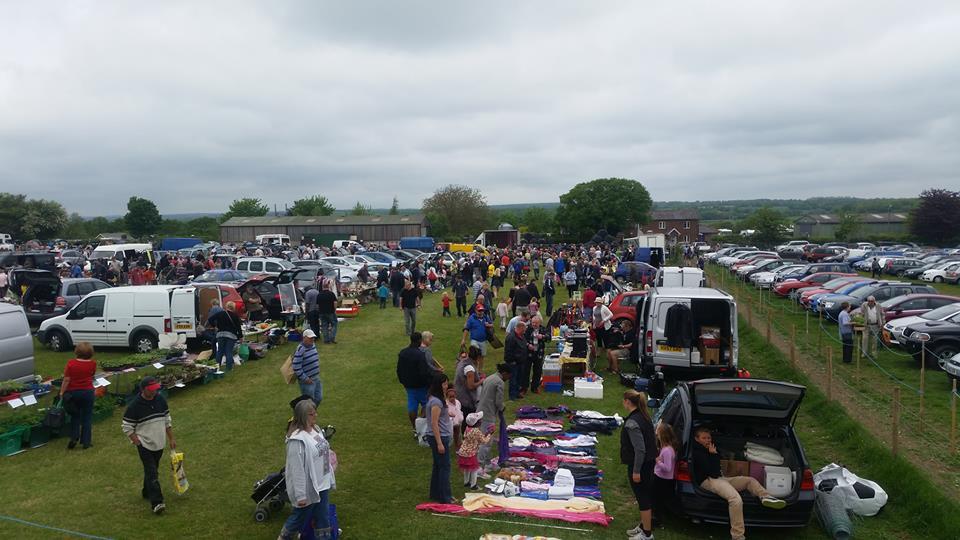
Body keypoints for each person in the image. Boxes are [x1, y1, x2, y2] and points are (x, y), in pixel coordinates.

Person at [691, 426, 785, 540]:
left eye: (709, 438)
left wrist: (714, 454)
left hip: (720, 478)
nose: (708, 440)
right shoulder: (697, 452)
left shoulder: (708, 449)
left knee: (749, 480)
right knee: (736, 500)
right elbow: (713, 473)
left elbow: (717, 473)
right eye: (704, 438)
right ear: (696, 439)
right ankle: (738, 536)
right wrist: (713, 455)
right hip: (708, 481)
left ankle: (765, 497)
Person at [278, 400, 336, 540]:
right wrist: (301, 496)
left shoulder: (315, 428)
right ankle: (284, 537)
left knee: (323, 518)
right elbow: (296, 470)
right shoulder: (296, 441)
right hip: (309, 488)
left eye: (315, 412)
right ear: (303, 416)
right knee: (299, 517)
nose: (315, 415)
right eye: (311, 414)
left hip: (322, 484)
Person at [121, 376, 176, 515]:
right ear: (144, 389)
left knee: (152, 469)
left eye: (156, 389)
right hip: (144, 444)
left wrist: (171, 438)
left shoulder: (160, 400)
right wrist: (137, 441)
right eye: (151, 390)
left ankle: (146, 492)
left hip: (159, 442)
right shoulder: (134, 406)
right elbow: (127, 426)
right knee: (152, 472)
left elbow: (166, 420)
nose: (155, 392)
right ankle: (157, 503)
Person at [621, 390, 657, 540]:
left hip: (640, 465)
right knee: (645, 495)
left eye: (623, 400)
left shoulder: (632, 422)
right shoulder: (644, 416)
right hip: (648, 463)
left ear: (628, 402)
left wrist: (636, 471)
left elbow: (640, 449)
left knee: (643, 498)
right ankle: (643, 526)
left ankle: (647, 535)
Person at [425, 373, 456, 504]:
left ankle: (435, 493)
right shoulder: (436, 401)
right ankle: (445, 497)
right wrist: (439, 443)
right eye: (444, 383)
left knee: (438, 466)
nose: (446, 386)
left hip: (439, 436)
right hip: (439, 437)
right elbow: (434, 422)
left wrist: (447, 413)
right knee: (444, 467)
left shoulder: (435, 399)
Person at [60, 341, 96, 449]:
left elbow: (66, 379)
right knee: (87, 417)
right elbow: (92, 375)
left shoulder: (71, 363)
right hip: (88, 392)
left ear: (77, 351)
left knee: (75, 415)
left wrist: (62, 392)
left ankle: (74, 437)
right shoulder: (92, 364)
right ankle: (86, 442)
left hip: (73, 392)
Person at [476, 363, 510, 475]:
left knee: (486, 439)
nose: (508, 379)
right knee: (486, 442)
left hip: (481, 410)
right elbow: (498, 402)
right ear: (504, 373)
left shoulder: (490, 377)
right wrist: (502, 408)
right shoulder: (499, 382)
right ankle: (478, 467)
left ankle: (487, 463)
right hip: (488, 413)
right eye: (508, 376)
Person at [397, 332, 431, 431]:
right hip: (421, 385)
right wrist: (429, 383)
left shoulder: (403, 352)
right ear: (420, 341)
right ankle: (422, 426)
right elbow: (424, 372)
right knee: (425, 404)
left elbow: (399, 369)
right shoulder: (420, 355)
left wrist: (402, 381)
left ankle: (414, 428)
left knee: (412, 405)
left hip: (408, 385)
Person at [457, 412, 493, 490]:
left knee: (467, 468)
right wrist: (490, 434)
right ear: (477, 423)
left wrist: (485, 433)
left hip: (463, 452)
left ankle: (466, 482)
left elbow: (477, 438)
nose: (481, 420)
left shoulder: (467, 428)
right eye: (480, 420)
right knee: (474, 469)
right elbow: (484, 441)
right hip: (470, 453)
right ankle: (473, 485)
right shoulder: (476, 431)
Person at [652, 422, 678, 523]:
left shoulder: (667, 450)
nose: (656, 434)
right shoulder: (665, 448)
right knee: (657, 498)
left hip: (663, 479)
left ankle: (657, 518)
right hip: (661, 477)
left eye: (658, 432)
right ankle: (657, 516)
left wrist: (658, 461)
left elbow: (667, 468)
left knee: (657, 499)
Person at [454, 346, 483, 429]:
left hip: (459, 395)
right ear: (477, 357)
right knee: (469, 421)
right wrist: (481, 381)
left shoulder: (463, 362)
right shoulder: (469, 368)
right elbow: (470, 386)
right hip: (466, 398)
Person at [209, 301, 243, 371]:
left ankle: (216, 367)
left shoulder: (220, 313)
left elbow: (210, 319)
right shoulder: (235, 316)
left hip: (220, 334)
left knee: (220, 351)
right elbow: (238, 327)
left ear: (226, 306)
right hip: (231, 335)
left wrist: (214, 326)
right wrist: (240, 337)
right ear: (233, 307)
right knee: (228, 351)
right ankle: (229, 368)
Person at [292, 329, 322, 405]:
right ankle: (305, 414)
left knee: (318, 398)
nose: (312, 339)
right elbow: (296, 366)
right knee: (309, 402)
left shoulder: (313, 345)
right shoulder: (301, 349)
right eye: (310, 338)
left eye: (313, 338)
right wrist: (305, 379)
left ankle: (311, 414)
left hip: (316, 377)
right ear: (304, 338)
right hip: (307, 381)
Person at [503, 320, 529, 400]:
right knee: (513, 379)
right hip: (513, 362)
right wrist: (512, 361)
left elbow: (524, 344)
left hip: (520, 361)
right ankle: (512, 396)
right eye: (524, 330)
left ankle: (517, 393)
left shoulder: (521, 336)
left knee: (519, 378)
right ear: (520, 328)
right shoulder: (511, 338)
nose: (525, 332)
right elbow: (508, 351)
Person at [461, 305, 492, 369]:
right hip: (474, 340)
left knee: (482, 357)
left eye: (482, 310)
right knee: (475, 355)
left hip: (483, 340)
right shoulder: (471, 318)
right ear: (475, 311)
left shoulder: (485, 317)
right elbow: (466, 329)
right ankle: (474, 370)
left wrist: (489, 325)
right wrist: (463, 339)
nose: (481, 312)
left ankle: (480, 372)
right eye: (479, 311)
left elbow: (492, 324)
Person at [525, 315, 547, 394]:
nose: (534, 324)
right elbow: (523, 339)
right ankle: (524, 388)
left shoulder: (543, 329)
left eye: (536, 323)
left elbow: (549, 338)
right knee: (526, 370)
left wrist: (543, 336)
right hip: (529, 353)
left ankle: (535, 387)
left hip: (539, 352)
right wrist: (528, 345)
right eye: (533, 322)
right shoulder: (527, 328)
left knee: (537, 371)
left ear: (539, 323)